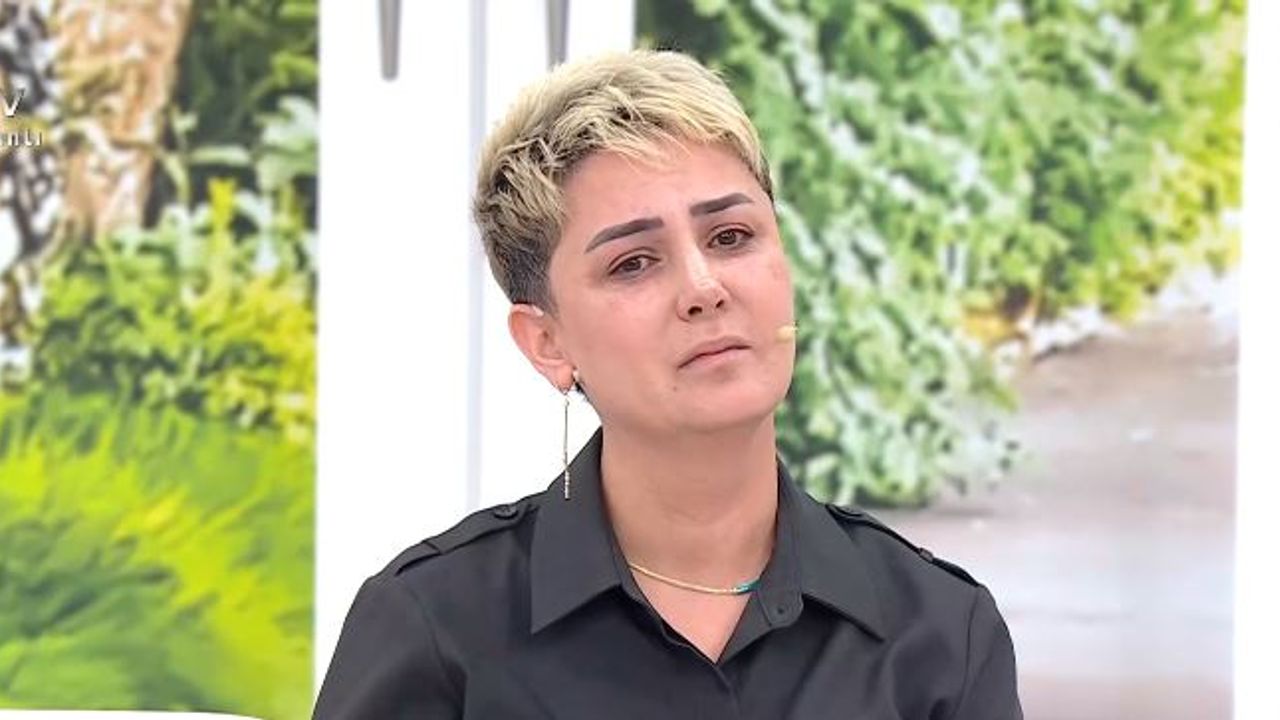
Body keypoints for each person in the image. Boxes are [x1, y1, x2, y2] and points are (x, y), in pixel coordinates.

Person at [313, 49, 1022, 719]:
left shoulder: (941, 633)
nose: (704, 288)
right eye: (633, 263)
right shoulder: (436, 628)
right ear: (547, 342)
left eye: (731, 237)